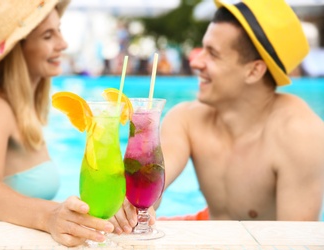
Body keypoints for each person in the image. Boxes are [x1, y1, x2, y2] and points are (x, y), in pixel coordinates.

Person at [110, 0, 324, 232]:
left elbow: (293, 244)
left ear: (254, 70)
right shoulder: (187, 118)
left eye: (212, 54)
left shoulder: (301, 134)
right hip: (207, 224)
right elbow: (151, 184)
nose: (196, 61)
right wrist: (129, 205)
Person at [0, 0, 114, 247]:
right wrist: (51, 216)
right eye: (48, 35)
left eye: (59, 30)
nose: (63, 44)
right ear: (18, 48)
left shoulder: (25, 109)